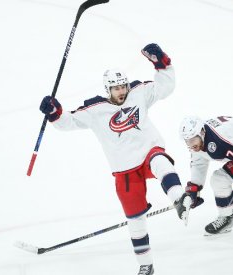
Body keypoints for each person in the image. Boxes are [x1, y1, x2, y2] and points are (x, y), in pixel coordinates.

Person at [39, 43, 191, 275]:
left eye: (123, 86)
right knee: (135, 218)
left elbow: (165, 86)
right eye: (116, 88)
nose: (121, 91)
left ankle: (179, 198)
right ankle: (145, 265)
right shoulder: (95, 109)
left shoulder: (139, 92)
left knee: (160, 161)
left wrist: (162, 62)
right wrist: (54, 112)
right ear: (107, 89)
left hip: (149, 152)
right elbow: (67, 122)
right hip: (124, 170)